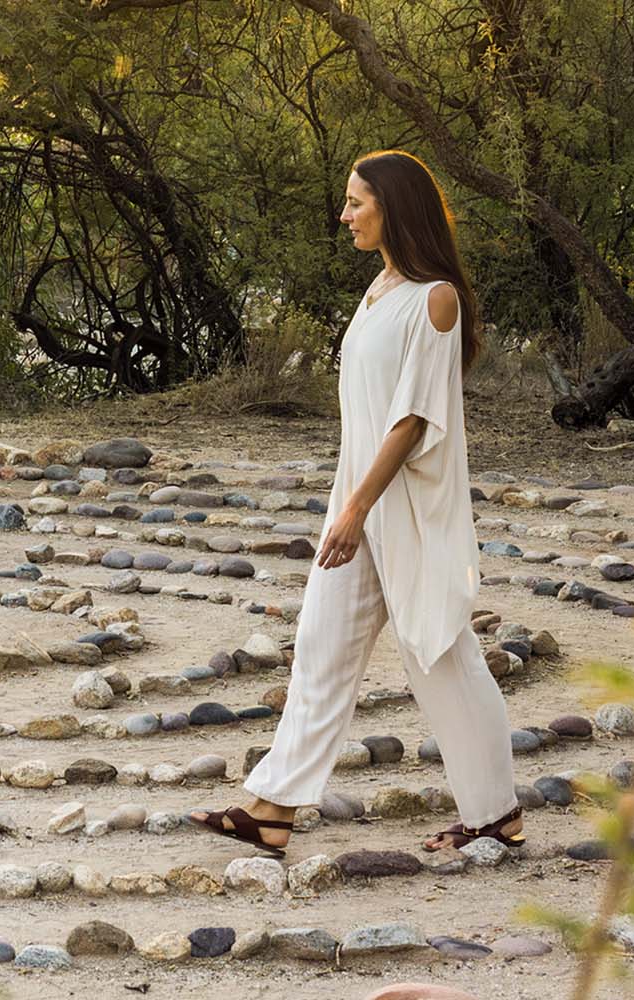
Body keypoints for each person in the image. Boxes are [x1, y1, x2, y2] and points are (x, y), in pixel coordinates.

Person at [189, 150, 523, 858]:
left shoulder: (435, 299)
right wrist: (350, 503)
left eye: (356, 202)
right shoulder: (379, 287)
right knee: (321, 646)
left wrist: (356, 510)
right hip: (360, 499)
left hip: (405, 508)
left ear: (393, 207)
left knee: (441, 653)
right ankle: (272, 809)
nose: (344, 215)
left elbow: (414, 420)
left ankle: (496, 815)